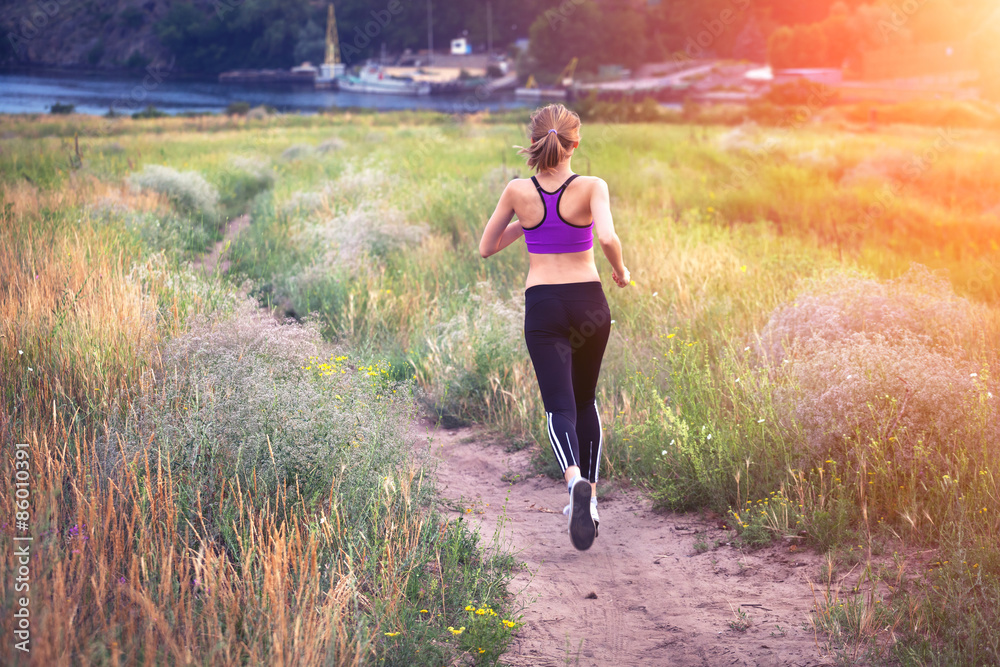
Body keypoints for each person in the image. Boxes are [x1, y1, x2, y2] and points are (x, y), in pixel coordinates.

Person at [478, 104, 630, 551]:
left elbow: (486, 248)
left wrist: (530, 225)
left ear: (535, 139)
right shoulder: (591, 186)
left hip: (543, 305)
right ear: (575, 142)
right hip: (589, 303)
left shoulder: (516, 190)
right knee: (586, 400)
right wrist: (620, 272)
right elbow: (606, 237)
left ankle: (573, 482)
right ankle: (593, 500)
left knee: (558, 406)